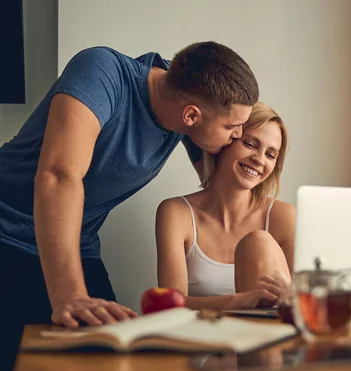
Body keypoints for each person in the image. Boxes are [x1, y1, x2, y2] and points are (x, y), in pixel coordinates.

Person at [0, 41, 260, 330]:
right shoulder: (102, 71)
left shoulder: (184, 100)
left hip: (77, 242)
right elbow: (60, 176)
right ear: (191, 115)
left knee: (110, 347)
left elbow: (219, 184)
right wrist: (70, 297)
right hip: (6, 229)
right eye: (231, 127)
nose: (238, 135)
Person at [155, 102, 295, 310]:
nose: (259, 160)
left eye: (270, 155)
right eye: (250, 144)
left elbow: (305, 300)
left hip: (266, 335)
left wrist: (290, 294)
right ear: (226, 141)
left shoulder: (282, 216)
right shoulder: (176, 213)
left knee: (258, 242)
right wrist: (239, 301)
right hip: (203, 337)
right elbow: (170, 305)